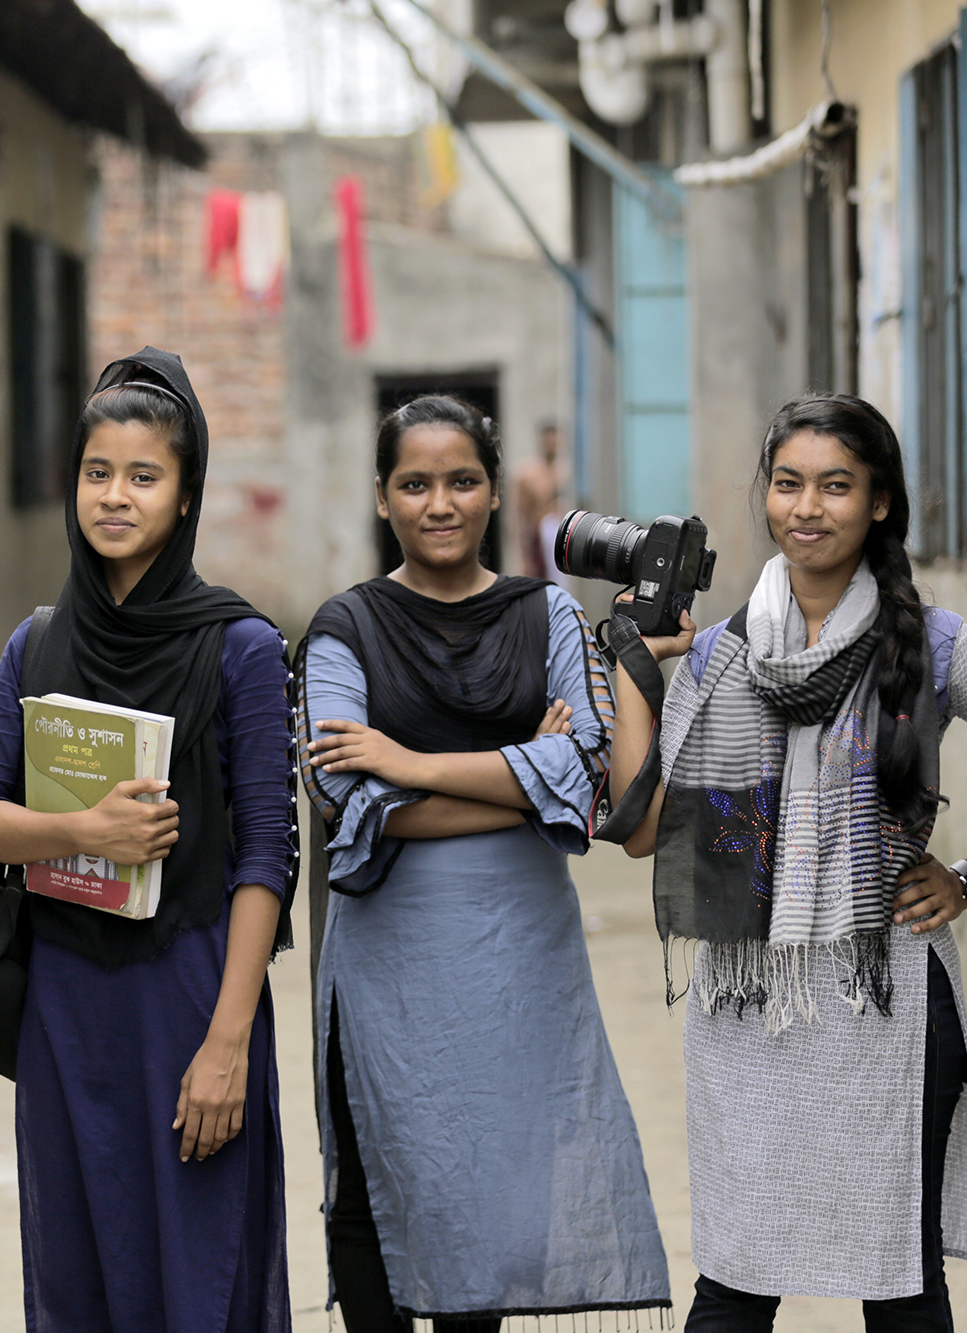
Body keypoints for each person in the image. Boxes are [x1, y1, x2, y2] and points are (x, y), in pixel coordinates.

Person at [608, 394, 967, 1329]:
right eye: (788, 483)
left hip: (888, 1002)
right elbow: (644, 830)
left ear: (878, 502)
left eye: (835, 486)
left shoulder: (934, 643)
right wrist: (636, 664)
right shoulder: (719, 657)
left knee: (900, 1279)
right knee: (735, 1277)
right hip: (751, 1005)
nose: (807, 507)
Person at [298, 395, 672, 1332]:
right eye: (415, 483)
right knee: (374, 1183)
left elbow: (588, 774)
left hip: (516, 955)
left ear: (495, 491)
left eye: (462, 480)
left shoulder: (547, 611)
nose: (440, 503)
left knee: (499, 1189)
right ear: (382, 497)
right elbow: (345, 798)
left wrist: (411, 764)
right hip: (385, 959)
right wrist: (521, 781)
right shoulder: (343, 628)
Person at [0, 348, 296, 1331]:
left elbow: (266, 856)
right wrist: (81, 828)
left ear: (185, 496)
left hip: (191, 993)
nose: (114, 495)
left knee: (200, 1267)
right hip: (65, 1002)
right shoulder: (37, 643)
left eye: (144, 475)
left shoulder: (241, 647)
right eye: (97, 471)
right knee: (78, 1275)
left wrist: (227, 1041)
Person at [513, 417, 571, 591]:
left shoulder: (565, 471)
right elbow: (521, 516)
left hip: (563, 538)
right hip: (539, 537)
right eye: (549, 439)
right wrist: (525, 557)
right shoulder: (528, 474)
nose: (552, 444)